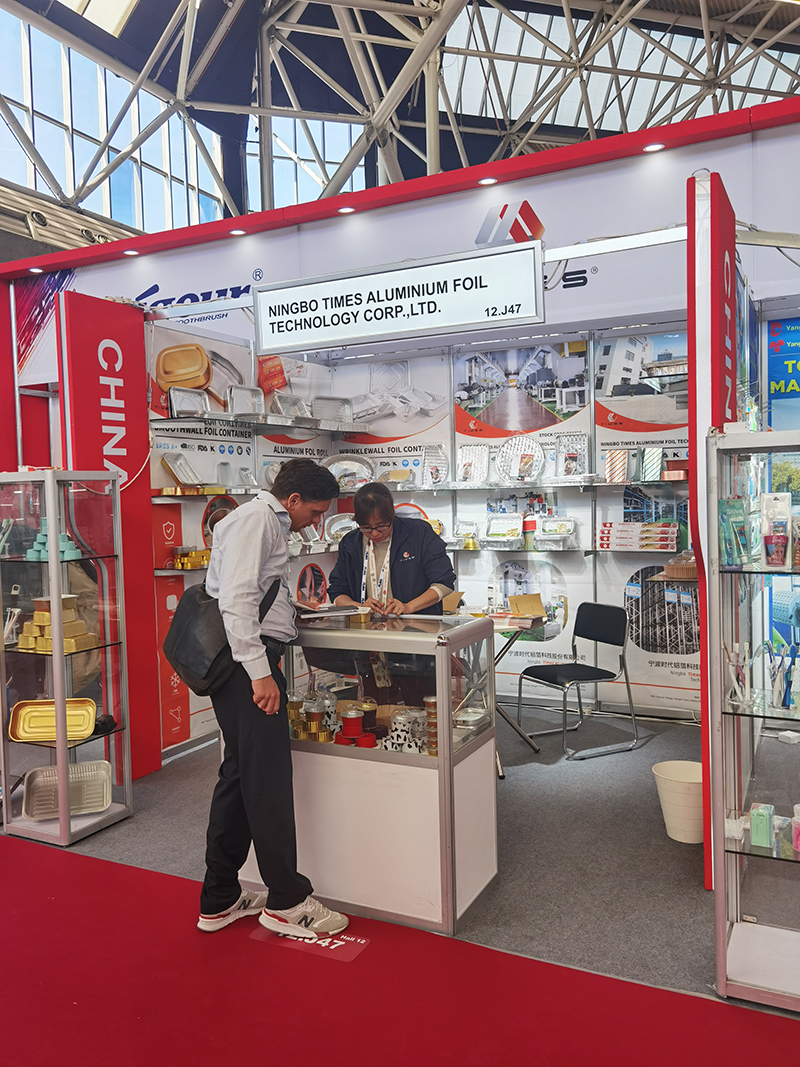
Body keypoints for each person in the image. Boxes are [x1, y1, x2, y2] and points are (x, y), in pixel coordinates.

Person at [197, 458, 348, 940]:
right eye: (316, 512)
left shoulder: (263, 521)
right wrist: (260, 673)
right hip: (250, 668)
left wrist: (293, 610)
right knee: (268, 783)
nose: (317, 522)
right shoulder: (257, 521)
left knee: (240, 778)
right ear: (293, 499)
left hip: (249, 664)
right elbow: (236, 599)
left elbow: (257, 590)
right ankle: (287, 901)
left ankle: (220, 897)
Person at [328, 482, 456, 617]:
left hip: (417, 625)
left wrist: (409, 607)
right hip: (367, 626)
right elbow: (337, 591)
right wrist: (359, 607)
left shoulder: (419, 533)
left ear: (392, 515)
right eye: (366, 527)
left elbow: (444, 583)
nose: (374, 533)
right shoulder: (350, 543)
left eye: (381, 526)